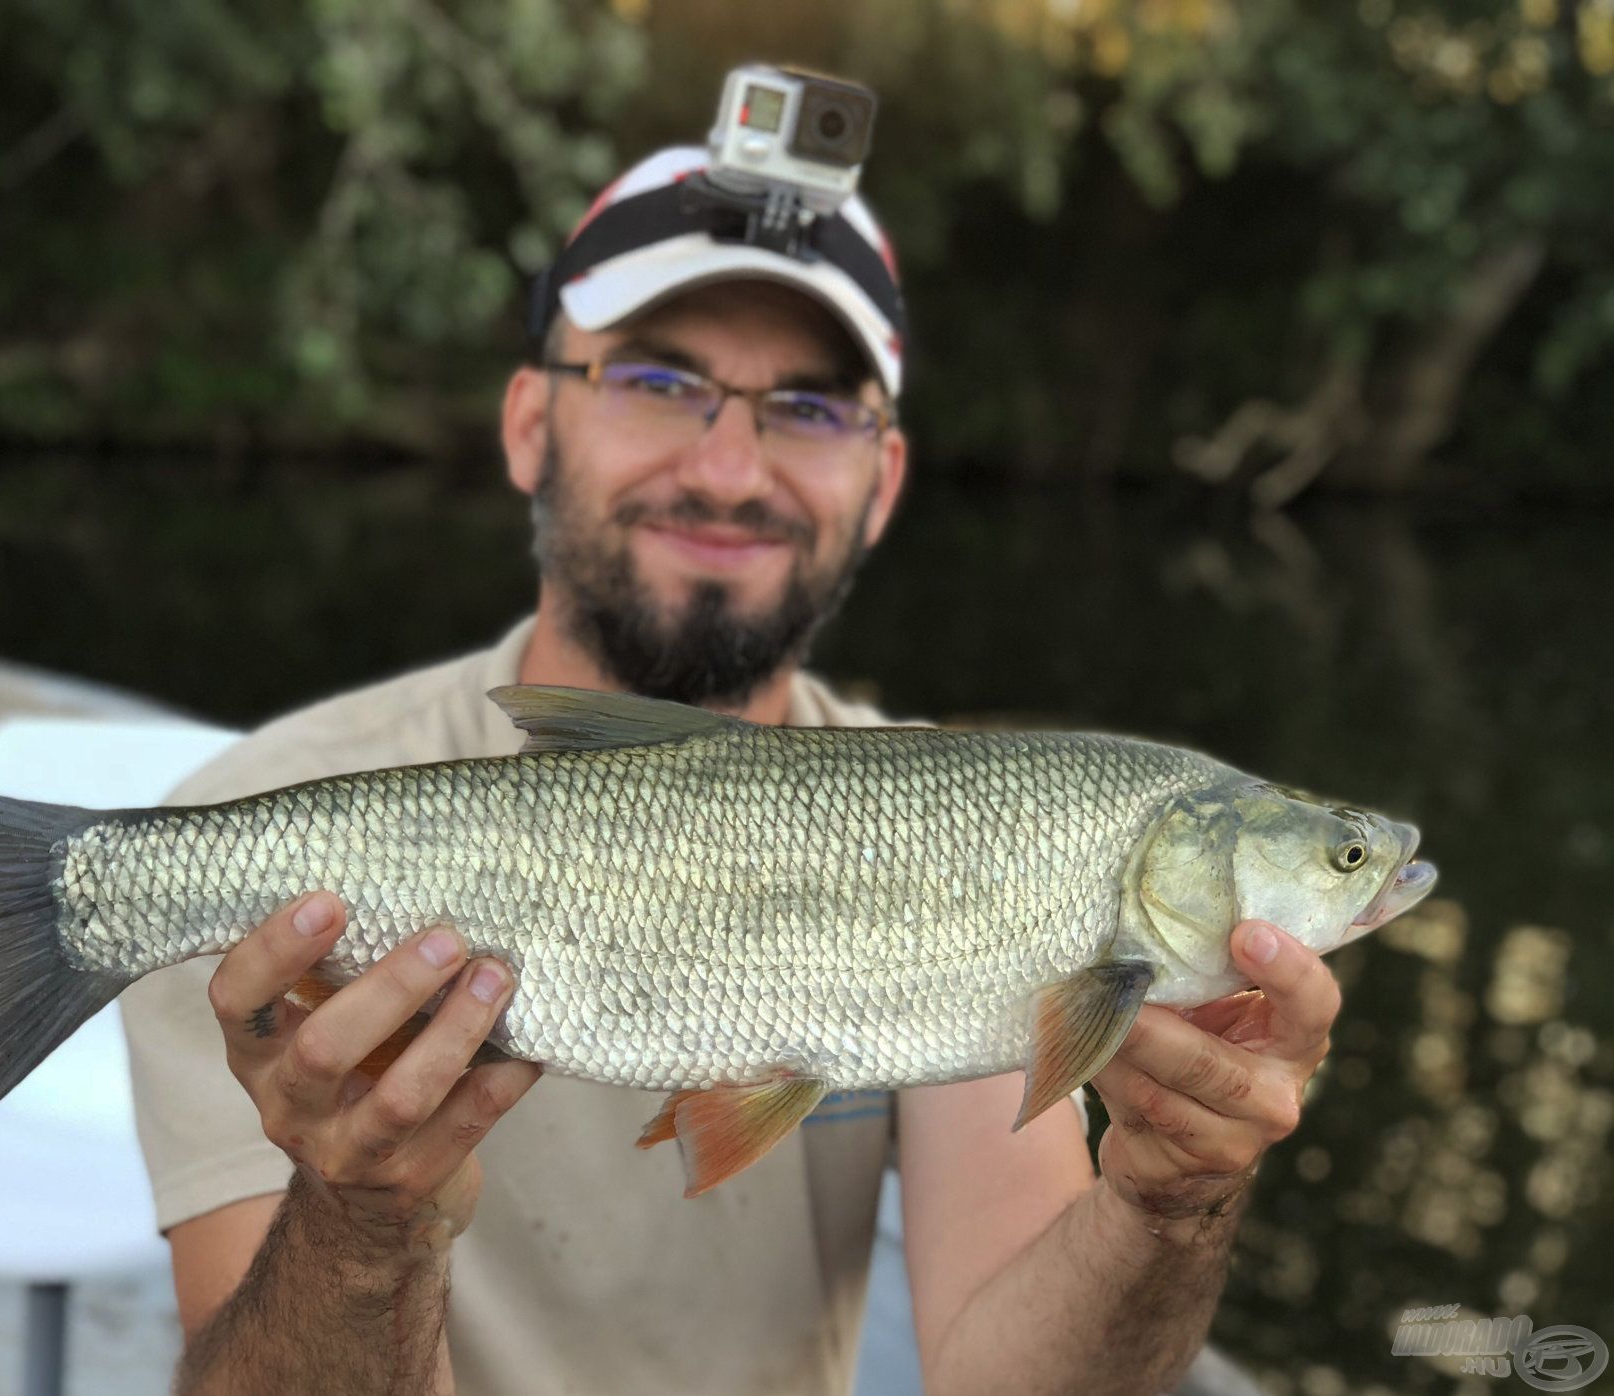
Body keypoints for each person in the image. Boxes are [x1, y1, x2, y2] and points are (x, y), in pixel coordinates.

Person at [120, 143, 1340, 1395]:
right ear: (533, 422)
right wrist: (356, 1216)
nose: (726, 469)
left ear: (884, 484)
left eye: (808, 408)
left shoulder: (984, 823)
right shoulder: (251, 836)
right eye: (659, 381)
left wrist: (1169, 1197)